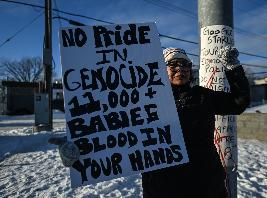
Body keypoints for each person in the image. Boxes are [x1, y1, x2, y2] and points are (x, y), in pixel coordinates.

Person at [49, 46, 250, 198]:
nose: (181, 68)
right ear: (161, 70)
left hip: (205, 183)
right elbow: (110, 130)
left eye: (185, 64)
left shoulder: (203, 96)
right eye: (173, 64)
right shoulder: (142, 100)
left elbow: (238, 102)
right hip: (162, 186)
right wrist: (78, 148)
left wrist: (233, 67)